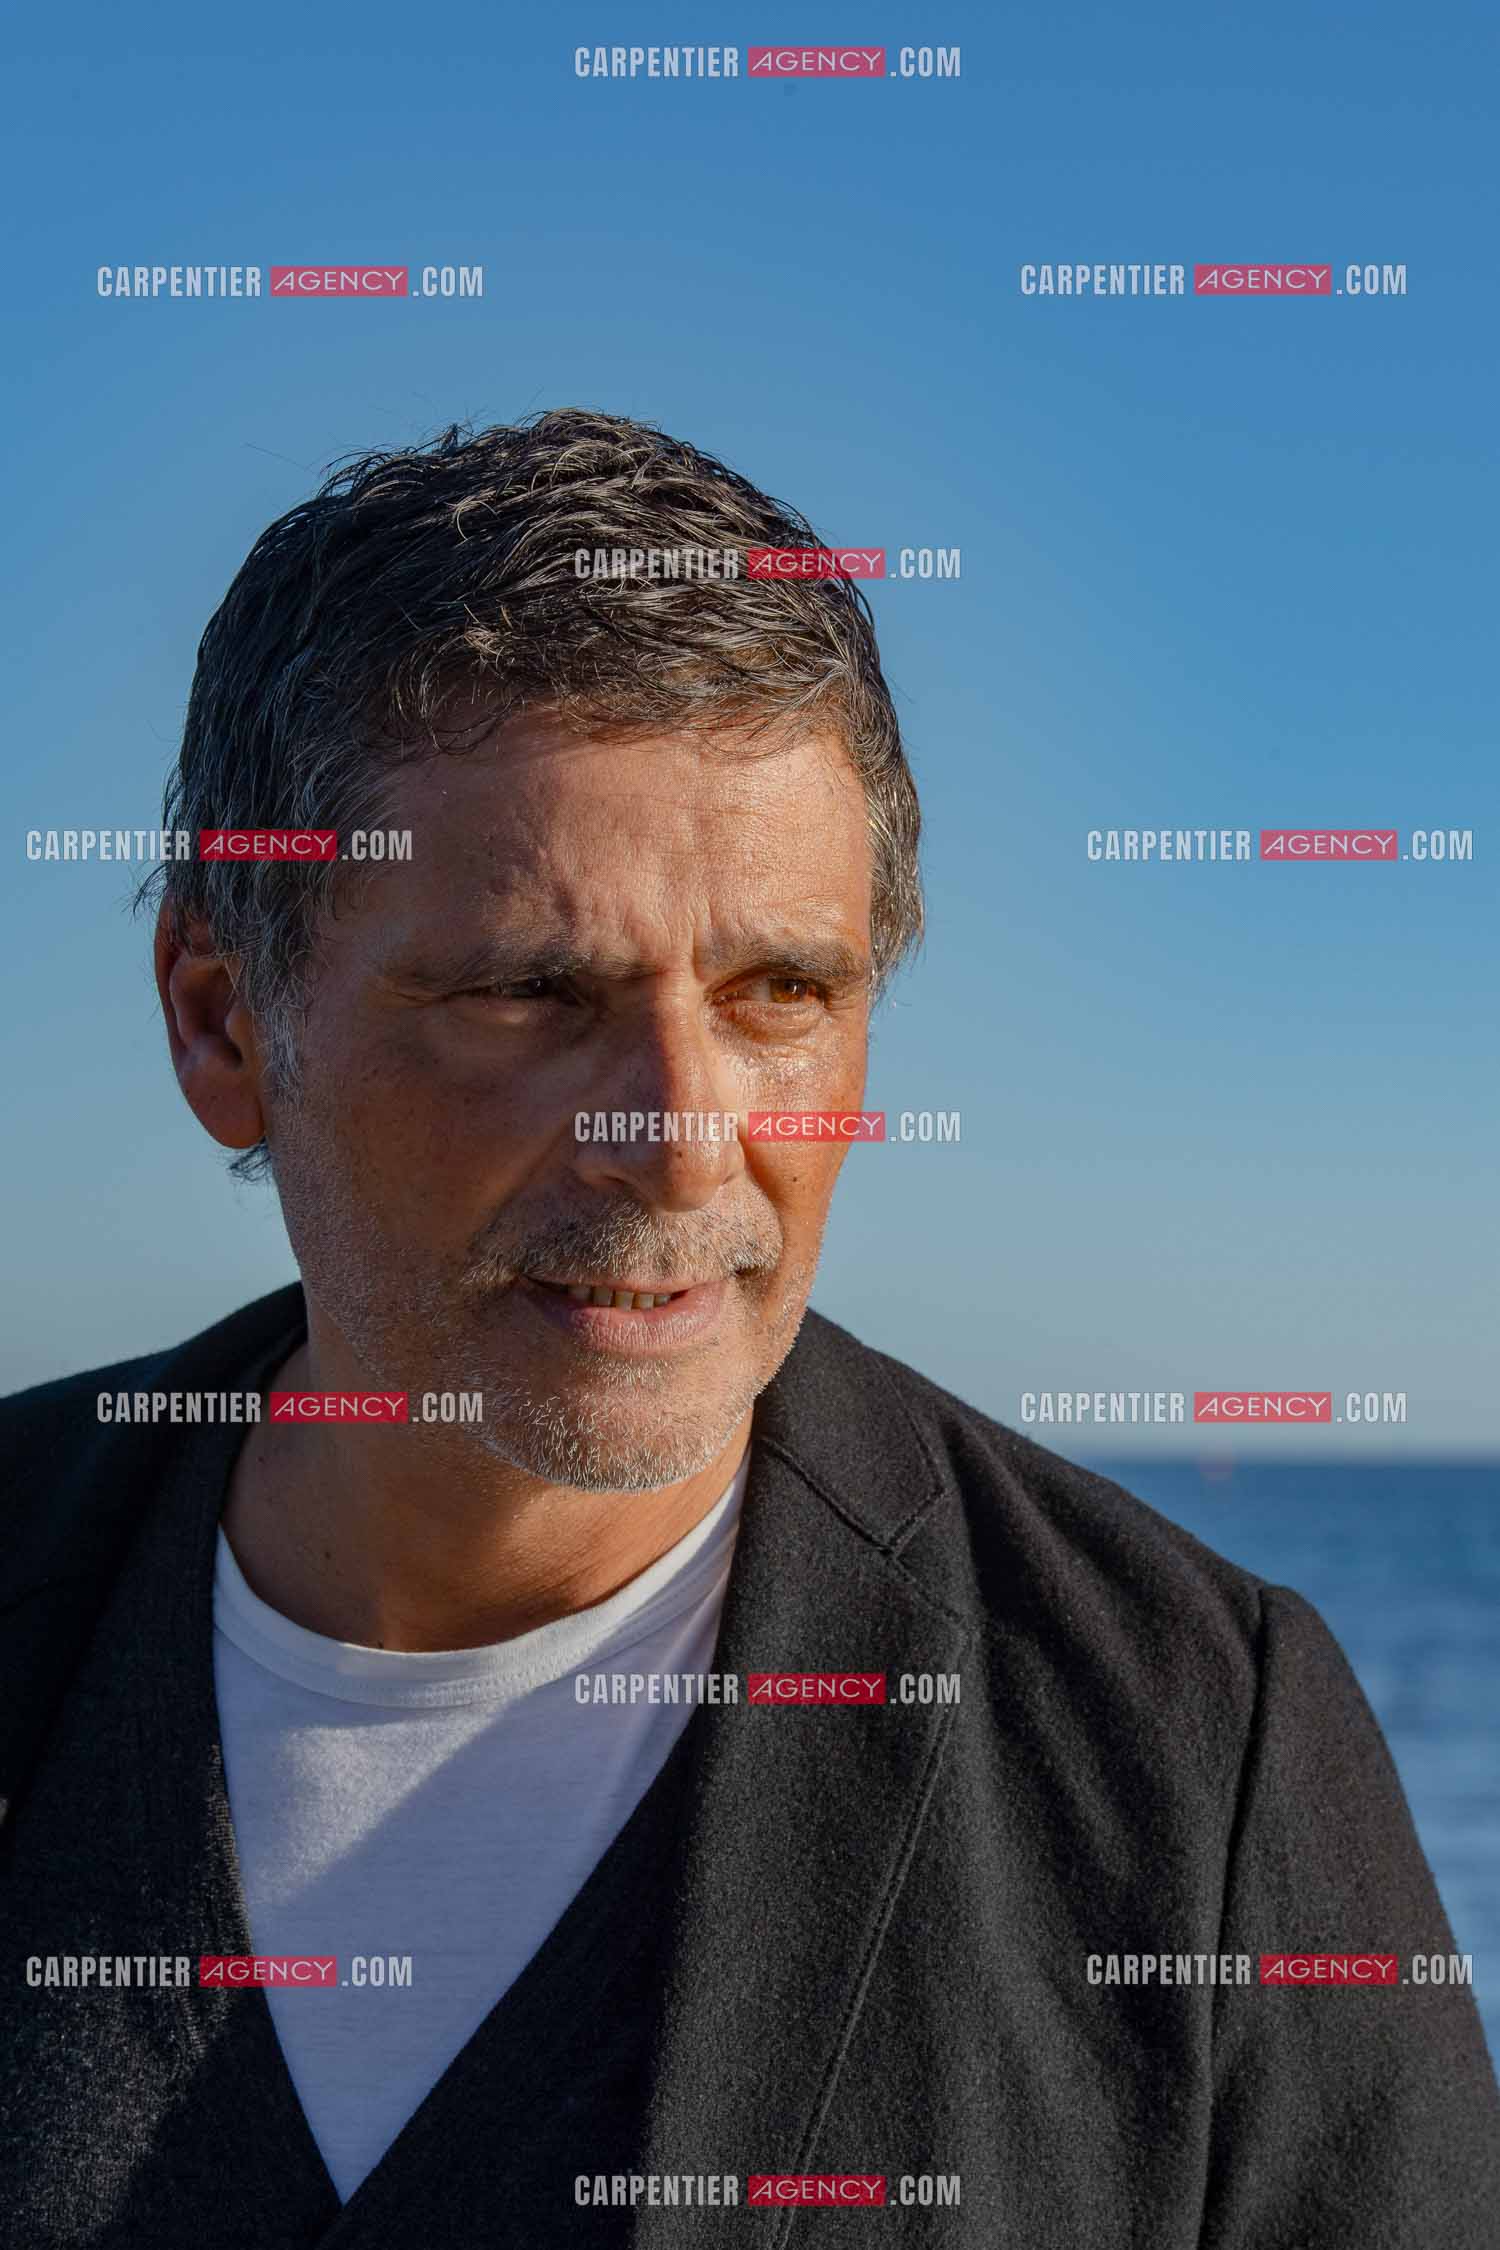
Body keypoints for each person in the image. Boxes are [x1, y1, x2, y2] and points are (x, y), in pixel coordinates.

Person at [1, 410, 1494, 2246]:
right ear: (225, 1026)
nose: (688, 1139)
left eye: (783, 990)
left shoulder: (1193, 1763)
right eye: (535, 992)